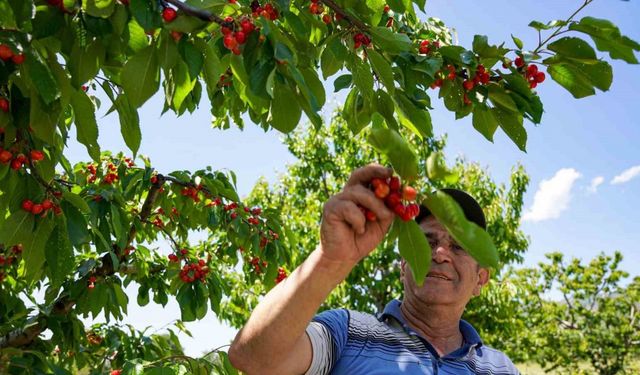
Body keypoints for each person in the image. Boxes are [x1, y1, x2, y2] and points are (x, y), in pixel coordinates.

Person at [229, 164, 519, 374]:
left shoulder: (500, 369)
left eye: (458, 247)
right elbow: (255, 360)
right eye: (427, 241)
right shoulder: (347, 332)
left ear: (481, 280)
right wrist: (329, 259)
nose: (441, 253)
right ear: (404, 265)